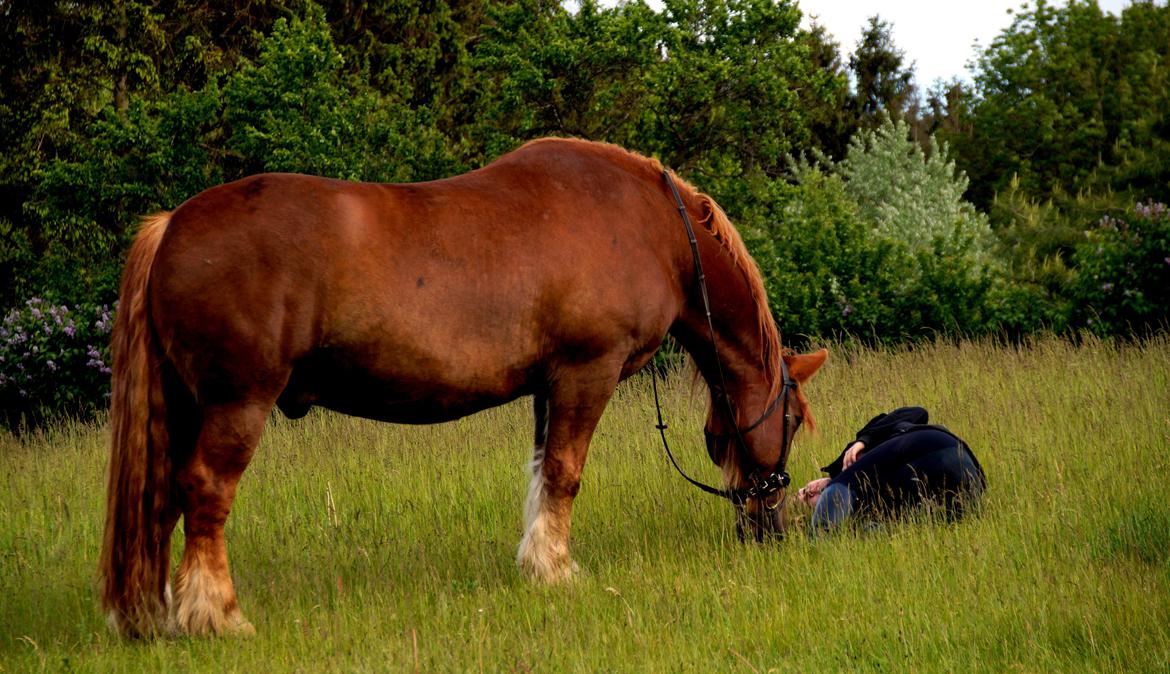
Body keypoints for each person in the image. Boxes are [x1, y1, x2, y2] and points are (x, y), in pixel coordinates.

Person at [796, 406, 986, 534]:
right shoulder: (871, 510)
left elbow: (918, 412)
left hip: (933, 444)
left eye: (805, 489)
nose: (811, 490)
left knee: (838, 486)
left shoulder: (848, 465)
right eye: (808, 498)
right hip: (968, 486)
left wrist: (864, 441)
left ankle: (819, 547)